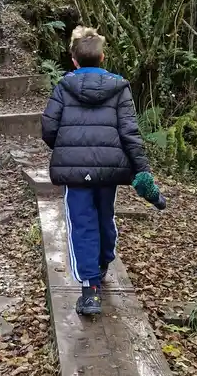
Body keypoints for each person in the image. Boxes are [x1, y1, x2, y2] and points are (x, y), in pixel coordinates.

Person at [41, 26, 165, 317]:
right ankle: (104, 260)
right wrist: (141, 168)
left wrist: (67, 147)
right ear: (102, 57)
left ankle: (90, 292)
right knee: (104, 216)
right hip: (109, 170)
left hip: (75, 172)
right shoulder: (119, 87)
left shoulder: (63, 86)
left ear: (74, 60)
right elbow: (130, 133)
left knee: (82, 224)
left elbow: (49, 128)